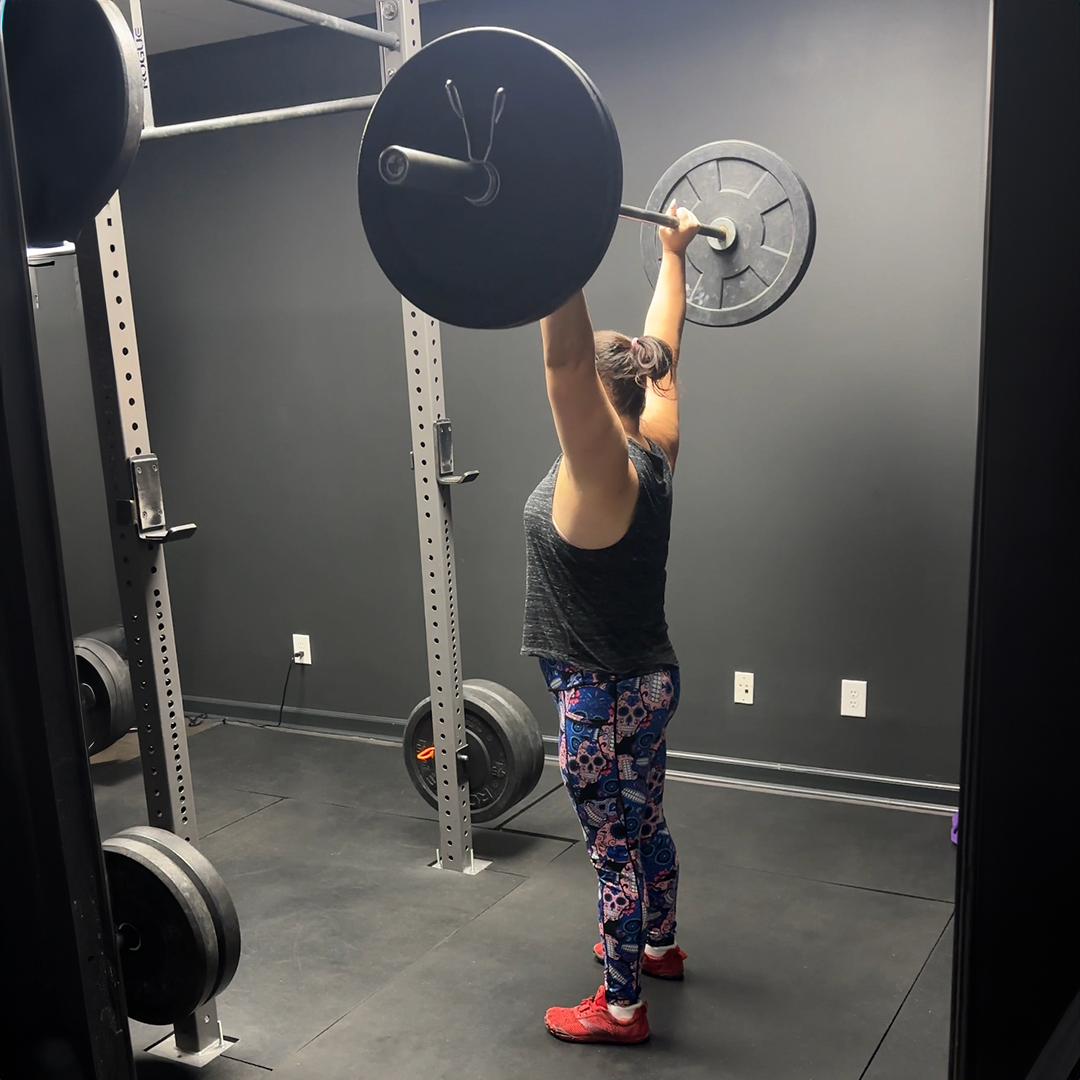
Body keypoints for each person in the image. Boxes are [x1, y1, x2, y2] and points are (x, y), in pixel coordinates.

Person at [522, 203, 701, 1044]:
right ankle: (659, 946)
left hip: (601, 696)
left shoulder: (600, 477)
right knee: (647, 824)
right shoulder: (654, 444)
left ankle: (621, 1007)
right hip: (650, 681)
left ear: (598, 400)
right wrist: (674, 255)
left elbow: (565, 360)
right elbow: (663, 354)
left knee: (610, 850)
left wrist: (557, 247)